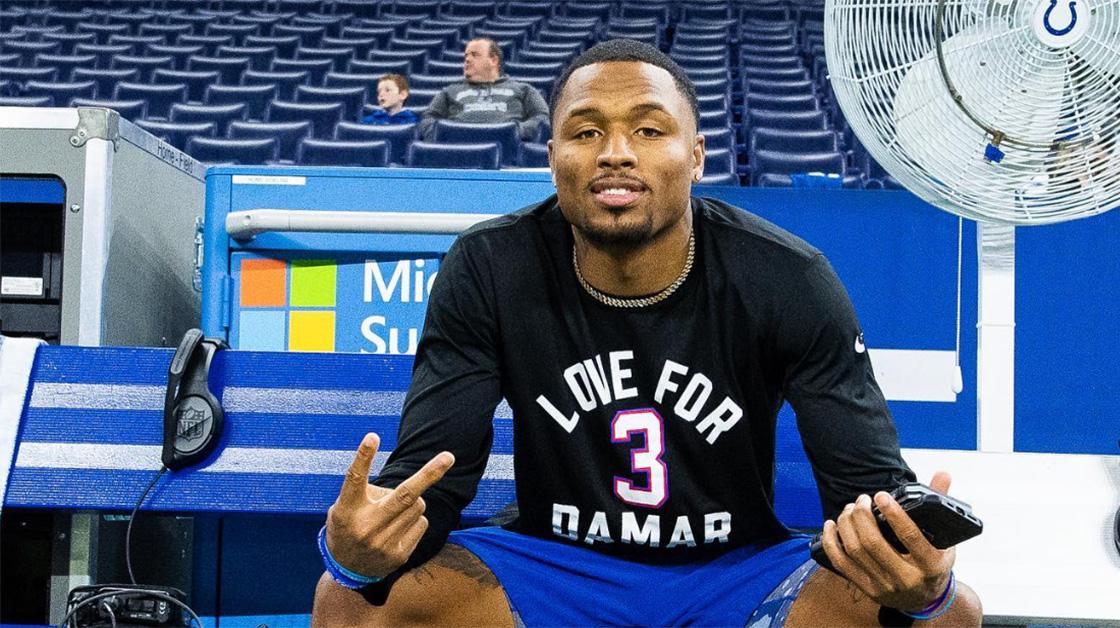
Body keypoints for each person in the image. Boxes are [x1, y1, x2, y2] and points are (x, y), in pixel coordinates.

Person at [312, 40, 983, 627]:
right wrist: (363, 548)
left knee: (946, 612)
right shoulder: (491, 264)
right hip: (551, 564)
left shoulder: (788, 276)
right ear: (552, 158)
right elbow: (435, 475)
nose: (615, 154)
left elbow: (864, 487)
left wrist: (910, 560)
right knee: (349, 598)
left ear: (695, 157)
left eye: (649, 130)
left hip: (740, 570)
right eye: (585, 133)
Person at [418, 38, 550, 141]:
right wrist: (445, 133)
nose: (467, 59)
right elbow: (428, 120)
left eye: (474, 55)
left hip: (507, 148)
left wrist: (516, 131)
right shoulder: (449, 91)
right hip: (457, 148)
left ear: (493, 60)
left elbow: (542, 117)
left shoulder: (523, 89)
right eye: (466, 56)